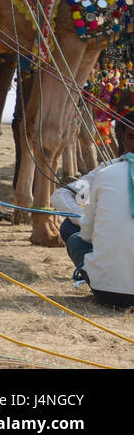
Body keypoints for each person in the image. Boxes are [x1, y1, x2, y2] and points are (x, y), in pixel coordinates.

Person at [51, 123, 134, 309]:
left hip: (111, 294)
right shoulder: (106, 171)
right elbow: (62, 195)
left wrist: (91, 221)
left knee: (72, 232)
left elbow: (87, 236)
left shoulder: (106, 173)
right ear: (122, 139)